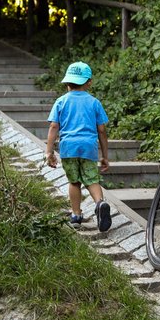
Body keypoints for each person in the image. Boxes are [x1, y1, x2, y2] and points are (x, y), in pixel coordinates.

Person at [45, 61, 113, 232]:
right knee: (92, 180)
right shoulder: (94, 102)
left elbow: (54, 127)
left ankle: (76, 215)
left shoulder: (61, 101)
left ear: (67, 82)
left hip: (68, 148)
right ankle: (100, 203)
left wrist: (49, 151)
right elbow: (102, 130)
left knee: (74, 182)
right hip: (88, 147)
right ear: (89, 82)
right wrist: (105, 155)